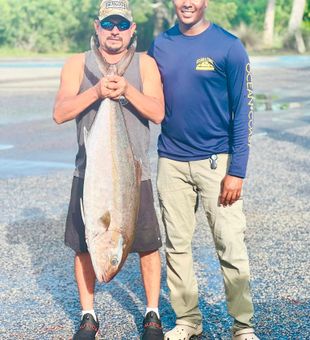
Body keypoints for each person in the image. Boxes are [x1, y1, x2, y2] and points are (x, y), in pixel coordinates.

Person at [53, 1, 165, 339]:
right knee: (83, 246)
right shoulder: (77, 64)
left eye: (121, 24)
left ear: (132, 30)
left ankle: (152, 313)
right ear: (96, 26)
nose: (114, 30)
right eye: (107, 24)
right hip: (90, 174)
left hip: (135, 173)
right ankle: (88, 314)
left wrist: (127, 90)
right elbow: (60, 113)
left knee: (148, 245)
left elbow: (158, 113)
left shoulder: (145, 64)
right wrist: (98, 91)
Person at [148, 1, 258, 339]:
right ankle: (188, 321)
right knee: (177, 246)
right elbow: (150, 97)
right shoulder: (160, 45)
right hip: (171, 162)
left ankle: (242, 326)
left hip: (217, 162)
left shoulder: (228, 46)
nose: (187, 3)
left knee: (230, 245)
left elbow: (244, 111)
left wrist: (236, 170)